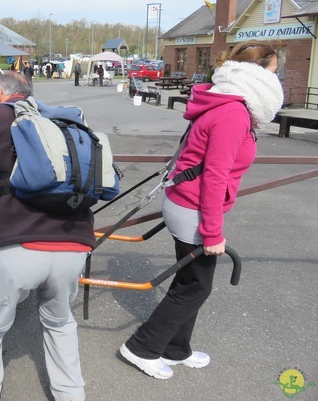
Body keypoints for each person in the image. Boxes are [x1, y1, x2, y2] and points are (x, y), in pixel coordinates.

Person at [0, 72, 119, 401]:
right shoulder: (63, 118)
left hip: (15, 244)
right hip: (74, 242)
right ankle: (71, 396)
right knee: (60, 322)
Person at [120, 41, 284, 380]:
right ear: (256, 75)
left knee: (191, 279)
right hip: (193, 206)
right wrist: (213, 232)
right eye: (273, 71)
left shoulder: (226, 102)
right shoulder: (234, 113)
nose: (277, 78)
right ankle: (141, 347)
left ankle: (176, 349)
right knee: (196, 285)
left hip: (188, 201)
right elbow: (214, 176)